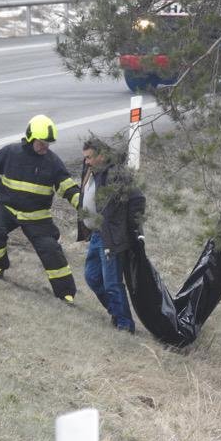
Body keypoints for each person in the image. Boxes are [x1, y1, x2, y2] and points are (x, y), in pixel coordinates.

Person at [0, 114, 80, 303]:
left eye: (48, 143)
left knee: (51, 250)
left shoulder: (53, 162)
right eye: (42, 142)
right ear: (30, 137)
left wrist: (83, 207)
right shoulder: (11, 153)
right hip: (8, 209)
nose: (45, 146)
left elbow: (68, 188)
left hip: (37, 217)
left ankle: (66, 294)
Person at [77, 138, 145, 333]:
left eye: (89, 157)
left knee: (112, 283)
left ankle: (125, 325)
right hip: (97, 235)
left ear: (101, 155)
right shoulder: (92, 170)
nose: (86, 162)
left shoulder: (116, 173)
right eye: (85, 158)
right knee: (92, 277)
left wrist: (131, 229)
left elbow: (138, 198)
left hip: (111, 238)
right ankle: (116, 312)